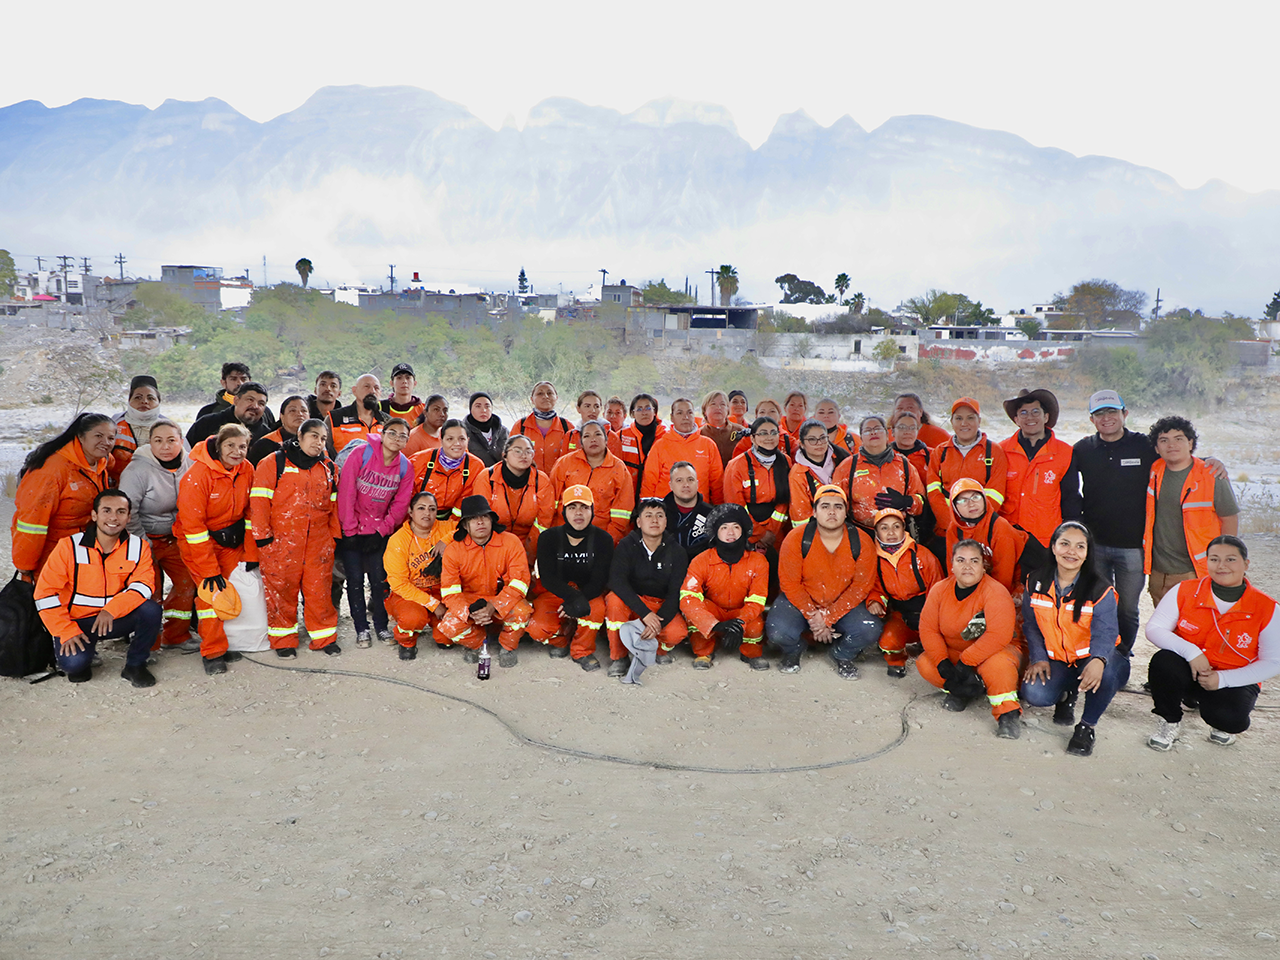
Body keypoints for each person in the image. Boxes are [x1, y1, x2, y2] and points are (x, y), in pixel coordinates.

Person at [1061, 389, 1228, 655]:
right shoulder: (1082, 449)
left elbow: (1177, 456)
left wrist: (1210, 461)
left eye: (1112, 412)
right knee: (1098, 603)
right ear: (1092, 419)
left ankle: (1123, 655)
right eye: (1099, 414)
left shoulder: (1143, 446)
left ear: (1124, 414)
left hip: (1134, 547)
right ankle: (1100, 656)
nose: (1107, 418)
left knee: (1127, 607)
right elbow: (1069, 488)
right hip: (1094, 544)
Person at [1144, 536, 1279, 749]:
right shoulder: (1185, 590)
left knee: (1230, 719)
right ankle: (1169, 720)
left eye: (1231, 559)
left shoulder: (1267, 608)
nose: (1221, 566)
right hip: (1189, 669)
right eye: (1214, 559)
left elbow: (1273, 661)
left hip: (1232, 679)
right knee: (1164, 661)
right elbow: (1154, 629)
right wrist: (1192, 653)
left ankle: (1218, 720)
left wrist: (1223, 679)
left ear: (1246, 564)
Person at [1019, 521, 1130, 756]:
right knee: (1035, 693)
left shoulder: (1100, 588)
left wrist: (1098, 660)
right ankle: (1067, 694)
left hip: (1094, 657)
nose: (1072, 551)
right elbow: (1031, 625)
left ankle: (1086, 726)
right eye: (1065, 544)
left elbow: (1106, 631)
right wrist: (1038, 658)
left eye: (1080, 546)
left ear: (1088, 553)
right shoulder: (1035, 582)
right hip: (1059, 658)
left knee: (1105, 674)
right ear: (1053, 547)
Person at [34, 489, 162, 687]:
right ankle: (79, 653)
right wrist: (65, 630)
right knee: (74, 667)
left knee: (151, 610)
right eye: (107, 510)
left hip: (113, 618)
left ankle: (135, 665)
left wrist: (111, 610)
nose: (113, 517)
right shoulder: (68, 546)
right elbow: (45, 594)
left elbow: (143, 586)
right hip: (77, 622)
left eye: (121, 511)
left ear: (129, 517)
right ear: (94, 515)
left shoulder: (138, 547)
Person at [767, 485, 885, 678]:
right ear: (814, 512)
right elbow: (790, 584)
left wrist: (828, 617)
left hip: (842, 603)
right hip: (801, 602)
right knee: (779, 632)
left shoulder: (862, 541)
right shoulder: (796, 538)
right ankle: (794, 650)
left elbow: (860, 587)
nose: (832, 511)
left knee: (869, 629)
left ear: (846, 512)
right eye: (825, 506)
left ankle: (842, 654)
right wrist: (814, 617)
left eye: (838, 507)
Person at [250, 419, 341, 658]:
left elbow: (334, 507)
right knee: (282, 592)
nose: (318, 442)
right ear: (299, 437)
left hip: (318, 544)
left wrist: (334, 538)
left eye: (323, 438)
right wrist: (262, 540)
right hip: (281, 543)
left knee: (319, 592)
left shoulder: (329, 468)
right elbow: (259, 503)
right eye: (313, 436)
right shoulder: (273, 463)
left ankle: (324, 637)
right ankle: (283, 640)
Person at [916, 539, 1023, 738]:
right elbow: (928, 629)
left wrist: (967, 661)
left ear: (984, 567)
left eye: (974, 561)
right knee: (925, 663)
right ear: (952, 566)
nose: (967, 566)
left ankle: (1007, 713)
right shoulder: (939, 590)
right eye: (961, 560)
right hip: (957, 652)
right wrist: (942, 662)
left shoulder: (995, 592)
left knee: (997, 666)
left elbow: (999, 635)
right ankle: (964, 690)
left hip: (995, 651)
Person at [175, 423, 258, 675]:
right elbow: (193, 528)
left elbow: (251, 511)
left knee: (237, 588)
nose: (237, 451)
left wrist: (251, 552)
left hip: (230, 541)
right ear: (218, 446)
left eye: (242, 446)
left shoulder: (247, 469)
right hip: (198, 543)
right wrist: (209, 570)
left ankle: (231, 640)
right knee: (211, 594)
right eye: (230, 445)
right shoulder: (198, 475)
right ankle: (212, 651)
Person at [118, 418, 198, 651]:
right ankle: (148, 644)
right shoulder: (137, 470)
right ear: (150, 443)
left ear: (181, 441)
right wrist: (142, 542)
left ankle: (176, 635)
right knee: (149, 590)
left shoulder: (191, 464)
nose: (165, 446)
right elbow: (127, 508)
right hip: (144, 537)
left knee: (187, 582)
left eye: (171, 440)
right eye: (158, 441)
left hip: (175, 537)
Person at [1143, 416, 1239, 605]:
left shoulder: (1212, 475)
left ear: (1190, 443)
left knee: (1196, 628)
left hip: (1195, 570)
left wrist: (1225, 561)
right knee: (1164, 630)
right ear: (1156, 448)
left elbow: (1229, 519)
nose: (1171, 445)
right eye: (1164, 440)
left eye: (1178, 439)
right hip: (1158, 572)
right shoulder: (1156, 469)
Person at [337, 418, 414, 648]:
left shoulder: (404, 466)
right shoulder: (361, 454)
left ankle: (381, 626)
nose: (397, 439)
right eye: (392, 433)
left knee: (380, 581)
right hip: (352, 530)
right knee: (355, 581)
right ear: (382, 434)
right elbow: (347, 492)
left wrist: (381, 532)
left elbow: (400, 505)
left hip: (378, 533)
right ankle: (361, 629)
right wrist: (349, 530)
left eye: (403, 436)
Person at [12, 412, 113, 579]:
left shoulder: (100, 461)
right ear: (80, 436)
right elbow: (31, 522)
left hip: (83, 548)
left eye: (111, 438)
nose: (106, 442)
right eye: (98, 436)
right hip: (52, 551)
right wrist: (25, 567)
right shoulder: (52, 471)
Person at [437, 495, 534, 667]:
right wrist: (470, 612)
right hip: (471, 602)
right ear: (465, 526)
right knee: (449, 627)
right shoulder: (453, 550)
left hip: (504, 599)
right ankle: (478, 642)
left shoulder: (511, 542)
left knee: (522, 612)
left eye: (484, 517)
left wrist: (494, 606)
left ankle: (507, 646)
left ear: (491, 520)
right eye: (473, 519)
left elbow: (520, 582)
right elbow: (450, 593)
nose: (480, 522)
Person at [527, 484, 615, 670]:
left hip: (588, 592)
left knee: (596, 610)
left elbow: (599, 580)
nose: (578, 513)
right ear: (564, 511)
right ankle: (562, 638)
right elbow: (549, 578)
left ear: (592, 510)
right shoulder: (548, 538)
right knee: (536, 628)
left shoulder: (603, 539)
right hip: (555, 591)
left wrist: (580, 599)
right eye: (572, 507)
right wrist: (573, 599)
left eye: (584, 507)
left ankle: (581, 650)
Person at [680, 504, 771, 670]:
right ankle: (703, 652)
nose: (730, 532)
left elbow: (757, 600)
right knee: (696, 613)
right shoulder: (701, 560)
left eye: (736, 527)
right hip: (714, 611)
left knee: (755, 624)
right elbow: (688, 598)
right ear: (716, 532)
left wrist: (740, 622)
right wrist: (713, 624)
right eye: (724, 527)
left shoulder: (758, 562)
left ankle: (751, 653)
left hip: (741, 611)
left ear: (744, 531)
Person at [605, 498, 689, 674]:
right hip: (634, 603)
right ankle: (619, 657)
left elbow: (676, 592)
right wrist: (645, 614)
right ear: (639, 522)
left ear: (666, 520)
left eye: (660, 515)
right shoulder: (627, 545)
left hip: (660, 606)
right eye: (648, 515)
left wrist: (657, 623)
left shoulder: (678, 552)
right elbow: (616, 581)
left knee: (677, 632)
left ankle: (655, 650)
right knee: (613, 601)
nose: (654, 520)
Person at [384, 491, 457, 659]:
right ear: (410, 511)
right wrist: (433, 604)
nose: (427, 513)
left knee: (447, 637)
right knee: (413, 618)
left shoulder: (446, 527)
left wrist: (446, 540)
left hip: (441, 590)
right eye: (421, 508)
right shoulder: (398, 540)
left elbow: (468, 528)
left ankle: (439, 632)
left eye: (432, 509)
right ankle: (405, 641)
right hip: (409, 594)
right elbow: (400, 584)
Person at [872, 507, 943, 678]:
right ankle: (897, 661)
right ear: (876, 532)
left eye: (896, 526)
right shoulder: (874, 560)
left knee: (940, 647)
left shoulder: (923, 555)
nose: (891, 532)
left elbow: (938, 588)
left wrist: (933, 620)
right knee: (888, 641)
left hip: (928, 614)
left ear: (904, 528)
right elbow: (876, 588)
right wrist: (875, 601)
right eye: (884, 528)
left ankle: (927, 646)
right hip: (900, 615)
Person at [925, 398, 1007, 545]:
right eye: (959, 418)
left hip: (982, 533)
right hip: (946, 532)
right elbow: (933, 491)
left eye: (970, 417)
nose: (964, 423)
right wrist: (951, 524)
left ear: (979, 421)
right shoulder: (940, 452)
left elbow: (996, 493)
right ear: (952, 422)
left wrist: (974, 527)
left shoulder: (994, 451)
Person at [998, 389, 1073, 548]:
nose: (1029, 417)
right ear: (1016, 419)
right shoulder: (1000, 451)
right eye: (1023, 412)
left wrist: (1069, 535)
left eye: (1035, 412)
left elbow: (1071, 498)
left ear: (1046, 417)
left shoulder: (1066, 452)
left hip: (1047, 541)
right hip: (1008, 537)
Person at [833, 415, 925, 532]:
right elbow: (834, 502)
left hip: (897, 533)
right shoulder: (847, 467)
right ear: (861, 437)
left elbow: (921, 502)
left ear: (887, 435)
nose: (873, 433)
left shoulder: (904, 465)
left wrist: (905, 502)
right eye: (867, 430)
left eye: (877, 428)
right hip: (859, 532)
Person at [548, 420, 634, 544]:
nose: (593, 439)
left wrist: (607, 541)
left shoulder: (619, 469)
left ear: (606, 440)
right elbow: (551, 504)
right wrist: (556, 535)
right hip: (564, 535)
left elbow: (622, 514)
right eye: (587, 436)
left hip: (600, 536)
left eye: (598, 434)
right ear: (581, 442)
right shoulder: (564, 463)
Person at [474, 434, 555, 560]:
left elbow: (543, 523)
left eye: (528, 451)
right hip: (492, 543)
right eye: (517, 451)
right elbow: (481, 520)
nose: (523, 455)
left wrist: (528, 554)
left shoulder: (542, 481)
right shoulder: (486, 478)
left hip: (529, 546)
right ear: (504, 455)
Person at [945, 477, 1031, 595]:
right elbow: (954, 568)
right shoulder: (954, 529)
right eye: (963, 500)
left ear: (984, 499)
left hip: (1016, 580)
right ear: (955, 508)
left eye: (976, 497)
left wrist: (987, 598)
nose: (971, 504)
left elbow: (1004, 575)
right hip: (983, 576)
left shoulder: (999, 527)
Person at [723, 416, 791, 553]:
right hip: (745, 533)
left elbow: (784, 500)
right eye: (763, 433)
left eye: (773, 432)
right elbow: (735, 506)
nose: (769, 437)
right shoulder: (736, 465)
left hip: (775, 534)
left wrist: (770, 533)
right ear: (753, 438)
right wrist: (759, 534)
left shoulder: (785, 462)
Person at [641, 398, 724, 504]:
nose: (685, 417)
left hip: (699, 510)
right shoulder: (660, 446)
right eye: (680, 413)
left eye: (689, 412)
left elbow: (717, 484)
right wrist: (647, 510)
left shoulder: (708, 445)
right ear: (672, 417)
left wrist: (719, 510)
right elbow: (648, 483)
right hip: (666, 510)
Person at [411, 419, 483, 520]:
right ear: (441, 440)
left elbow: (467, 503)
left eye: (462, 439)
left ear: (468, 440)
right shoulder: (418, 461)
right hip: (418, 519)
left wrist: (449, 528)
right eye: (450, 439)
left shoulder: (476, 466)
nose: (457, 443)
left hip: (455, 522)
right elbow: (406, 498)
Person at [788, 418, 851, 524]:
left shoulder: (842, 460)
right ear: (802, 443)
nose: (819, 443)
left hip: (846, 522)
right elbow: (801, 518)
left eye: (823, 438)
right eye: (812, 439)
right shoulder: (797, 475)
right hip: (817, 529)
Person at [511, 380, 575, 475]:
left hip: (559, 482)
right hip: (528, 483)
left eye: (549, 393)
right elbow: (511, 456)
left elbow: (574, 455)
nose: (545, 396)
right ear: (532, 399)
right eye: (540, 393)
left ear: (556, 398)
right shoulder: (521, 426)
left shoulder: (567, 427)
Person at [108, 375, 163, 483]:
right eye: (138, 397)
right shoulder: (112, 426)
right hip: (116, 489)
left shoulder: (170, 429)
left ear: (159, 403)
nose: (144, 401)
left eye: (151, 398)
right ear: (129, 401)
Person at [187, 381, 272, 447]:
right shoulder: (206, 424)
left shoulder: (267, 436)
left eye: (261, 403)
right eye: (250, 400)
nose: (255, 406)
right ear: (236, 400)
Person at [661, 462, 714, 557]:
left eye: (690, 479)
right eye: (679, 480)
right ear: (670, 485)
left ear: (697, 484)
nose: (686, 484)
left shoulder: (712, 515)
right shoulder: (659, 514)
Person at [329, 373, 389, 454]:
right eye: (367, 386)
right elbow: (325, 451)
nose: (372, 391)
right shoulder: (335, 418)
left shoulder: (387, 421)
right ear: (354, 390)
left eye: (376, 388)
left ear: (380, 393)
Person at [618, 393, 666, 492]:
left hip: (657, 495)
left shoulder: (666, 437)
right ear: (632, 414)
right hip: (626, 493)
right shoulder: (621, 436)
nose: (644, 413)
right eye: (639, 409)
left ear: (655, 412)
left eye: (648, 408)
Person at [248, 395, 310, 466]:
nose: (299, 414)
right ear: (282, 417)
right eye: (292, 410)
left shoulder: (319, 441)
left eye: (304, 410)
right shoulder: (265, 444)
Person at [731, 399, 797, 460]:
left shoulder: (789, 442)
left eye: (772, 411)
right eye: (762, 412)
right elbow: (737, 466)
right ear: (756, 417)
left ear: (780, 416)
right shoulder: (746, 441)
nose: (767, 415)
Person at [565, 390, 623, 459]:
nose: (592, 410)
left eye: (596, 406)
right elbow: (562, 465)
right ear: (578, 409)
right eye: (587, 406)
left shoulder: (612, 437)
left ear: (601, 409)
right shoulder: (570, 436)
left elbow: (617, 467)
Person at [699, 390, 746, 470]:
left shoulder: (741, 431)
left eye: (722, 404)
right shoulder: (699, 434)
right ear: (705, 410)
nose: (718, 408)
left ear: (728, 410)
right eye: (713, 404)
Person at [462, 391, 510, 467]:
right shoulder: (462, 432)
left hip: (499, 476)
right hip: (474, 476)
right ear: (470, 409)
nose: (483, 410)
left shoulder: (504, 432)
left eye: (487, 406)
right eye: (478, 406)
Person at [381, 362, 426, 426]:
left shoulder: (424, 410)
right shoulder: (380, 407)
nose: (404, 381)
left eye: (408, 378)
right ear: (391, 383)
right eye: (399, 378)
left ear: (415, 383)